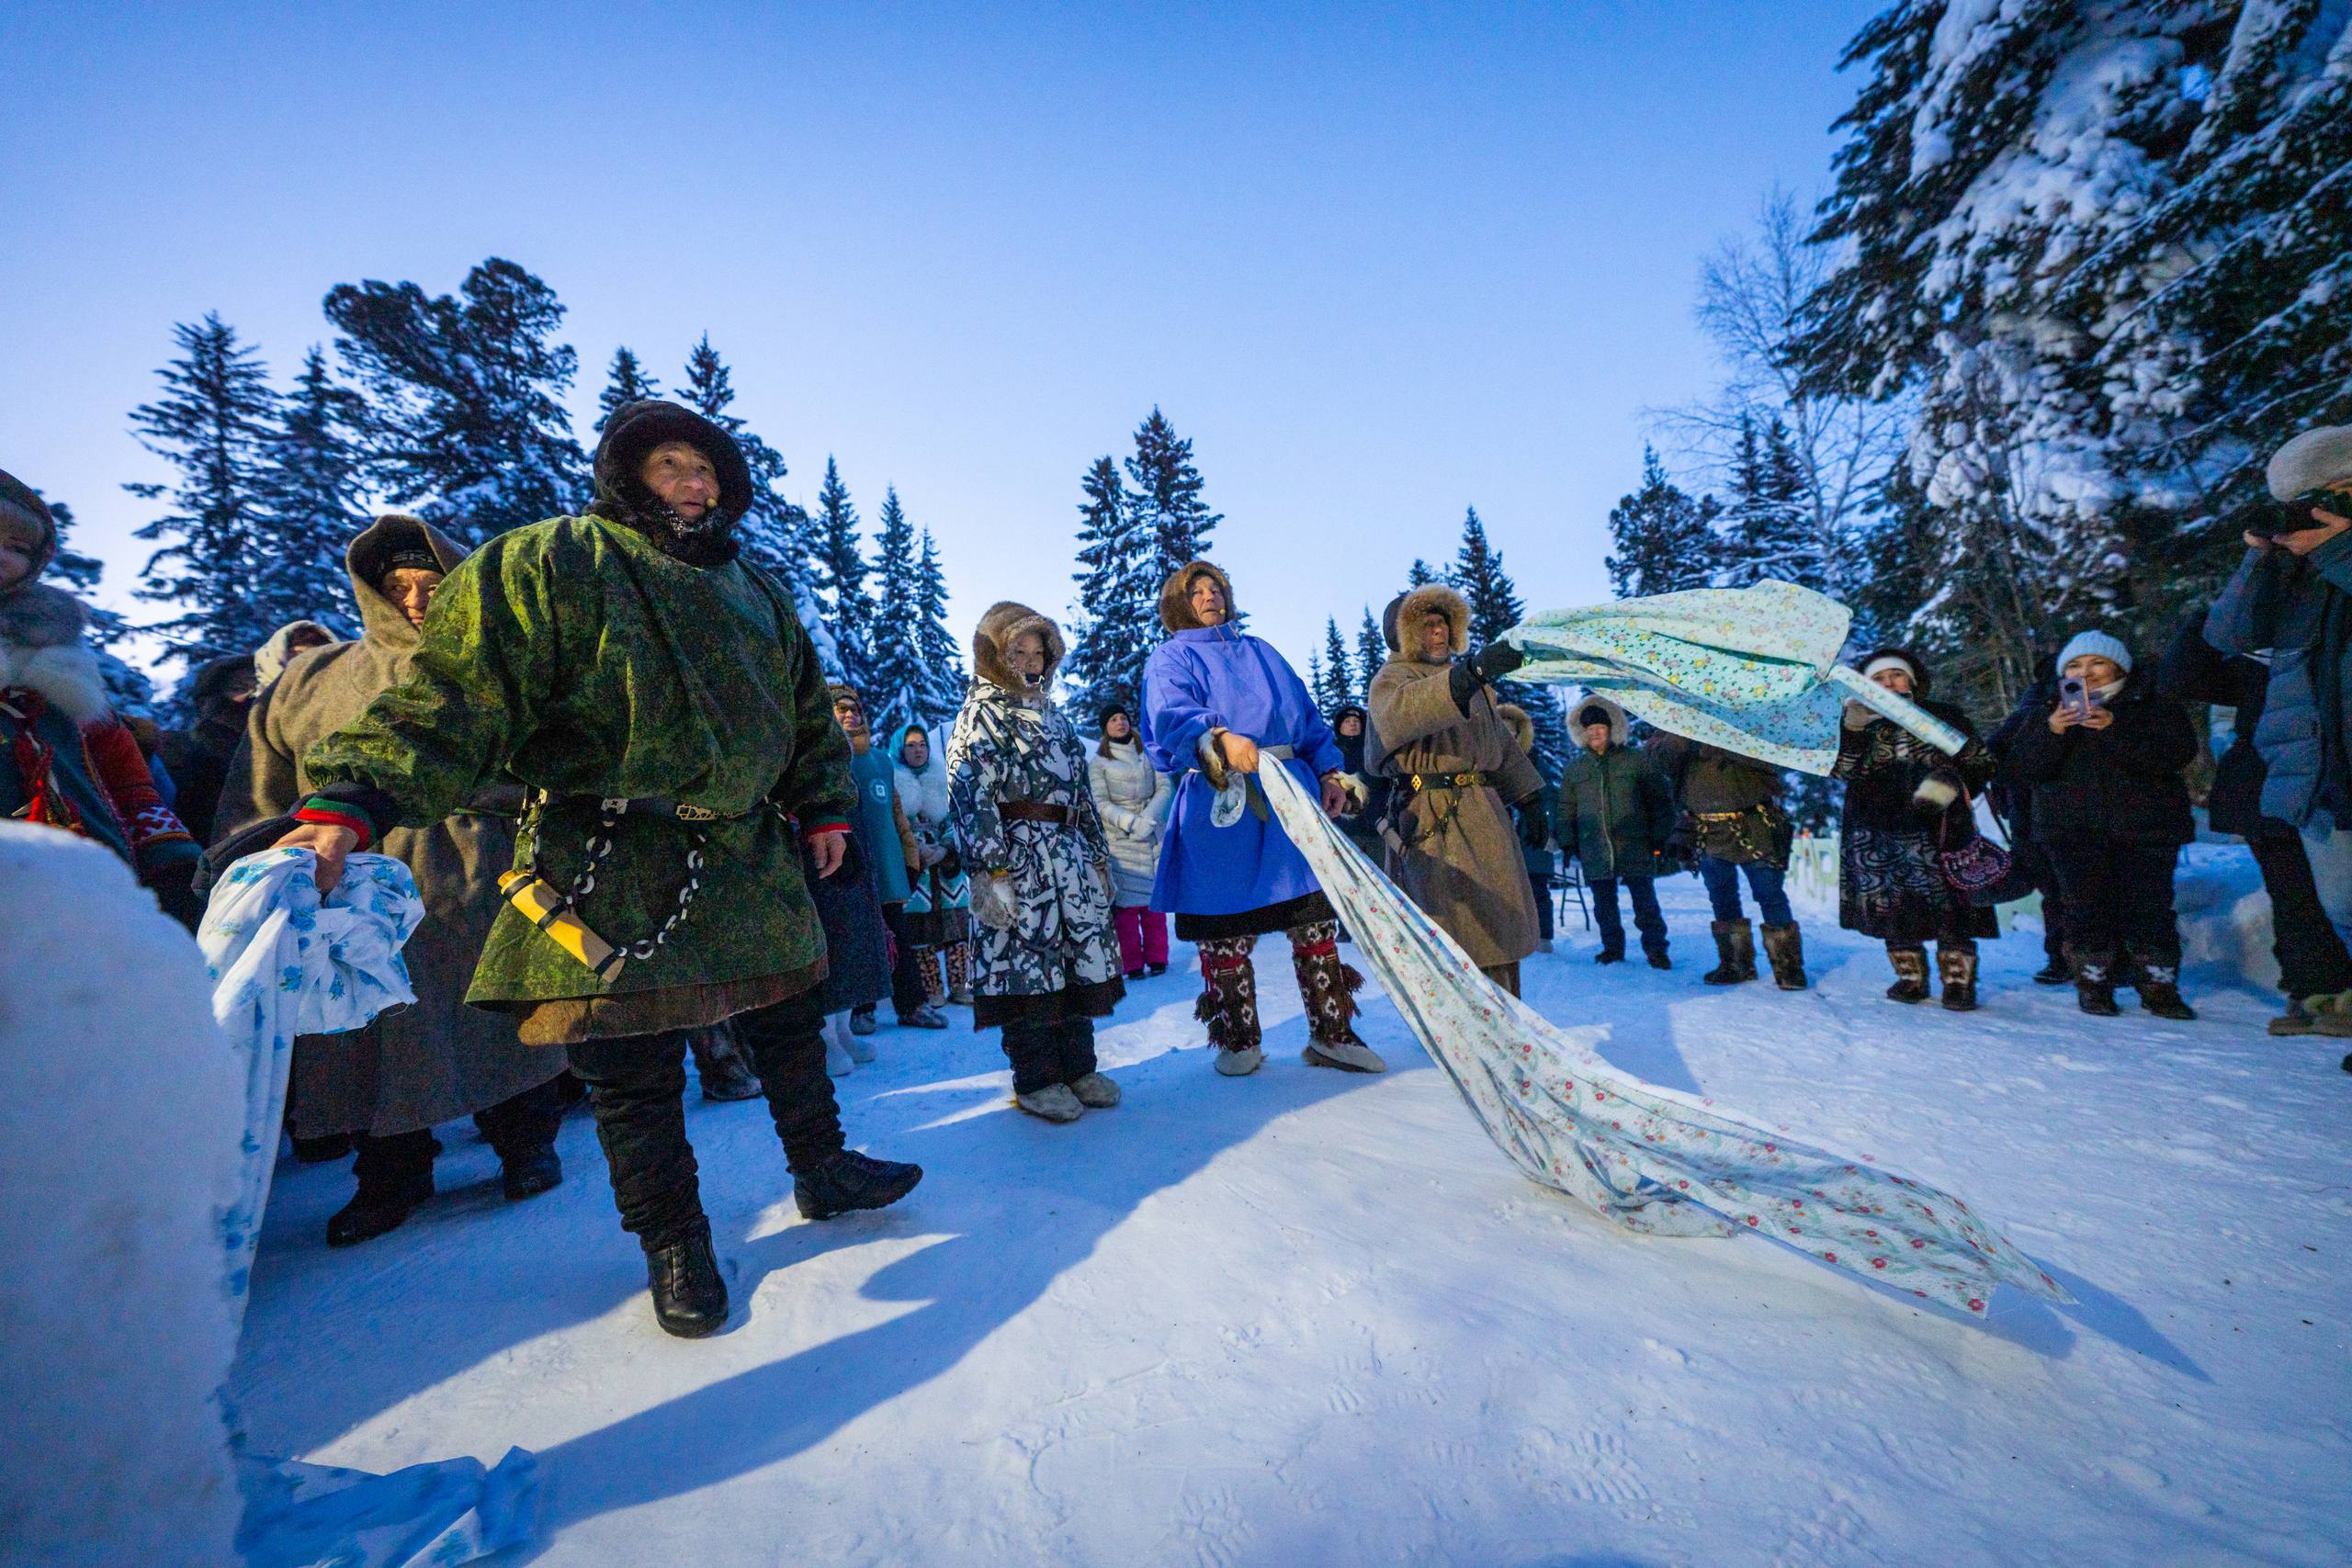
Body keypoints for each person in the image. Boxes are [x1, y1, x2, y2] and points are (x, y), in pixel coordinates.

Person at [267, 399, 921, 1338]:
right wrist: (351, 797)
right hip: (604, 851)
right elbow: (455, 692)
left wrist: (821, 803)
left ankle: (822, 1167)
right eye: (669, 466)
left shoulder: (754, 589)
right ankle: (673, 1241)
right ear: (626, 476)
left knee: (786, 1016)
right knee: (628, 1062)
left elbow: (806, 711)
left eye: (707, 471)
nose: (694, 486)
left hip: (741, 847)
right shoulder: (550, 561)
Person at [214, 515, 568, 1245]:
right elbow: (262, 783)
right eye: (396, 586)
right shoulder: (313, 678)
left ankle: (526, 1142)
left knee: (498, 1018)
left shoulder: (499, 667)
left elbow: (557, 770)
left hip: (474, 865)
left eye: (430, 584)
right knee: (368, 1031)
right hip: (345, 881)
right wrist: (240, 861)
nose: (413, 599)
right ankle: (392, 1172)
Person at [1142, 561, 1380, 1077]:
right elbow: (1169, 717)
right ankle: (1236, 1037)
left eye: (1216, 588)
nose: (1210, 596)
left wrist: (1330, 773)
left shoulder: (1262, 652)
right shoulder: (1171, 657)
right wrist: (1218, 739)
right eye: (1197, 591)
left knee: (1313, 914)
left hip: (1289, 795)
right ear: (1179, 604)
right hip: (1219, 797)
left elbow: (1308, 717)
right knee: (1224, 926)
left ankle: (1332, 1033)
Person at [2204, 424, 2352, 1061]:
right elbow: (2225, 635)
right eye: (2306, 501)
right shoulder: (2299, 577)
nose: (2319, 512)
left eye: (2336, 493)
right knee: (2344, 911)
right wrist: (2260, 559)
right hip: (2321, 777)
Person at [947, 603, 1126, 1122]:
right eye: (1018, 651)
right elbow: (970, 795)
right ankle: (1037, 1078)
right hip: (1020, 860)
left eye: (1038, 652)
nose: (1030, 662)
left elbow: (1082, 794)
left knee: (1074, 963)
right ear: (995, 655)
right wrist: (990, 873)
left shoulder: (1055, 715)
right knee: (1030, 966)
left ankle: (1078, 1067)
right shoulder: (980, 714)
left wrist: (1096, 856)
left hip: (1068, 857)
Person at [0, 469, 199, 921]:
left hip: (85, 876)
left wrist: (168, 856)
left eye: (17, 548)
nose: (2, 557)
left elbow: (118, 764)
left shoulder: (60, 655)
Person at [2158, 610, 2352, 1034]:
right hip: (2266, 782)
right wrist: (2225, 609)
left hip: (2333, 772)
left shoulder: (2333, 628)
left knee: (2342, 895)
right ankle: (2319, 992)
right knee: (2293, 894)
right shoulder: (2260, 650)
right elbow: (2182, 677)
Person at [2005, 631, 2199, 1021]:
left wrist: (2113, 728)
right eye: (2075, 665)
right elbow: (2022, 769)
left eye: (2097, 663)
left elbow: (2176, 755)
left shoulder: (2154, 700)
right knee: (2083, 907)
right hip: (2070, 829)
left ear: (2119, 667)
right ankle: (2094, 983)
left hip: (2147, 828)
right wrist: (2052, 730)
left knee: (2150, 907)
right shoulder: (2046, 707)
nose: (2086, 672)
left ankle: (2158, 985)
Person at [1366, 584, 1546, 996]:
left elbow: (1498, 742)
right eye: (1427, 626)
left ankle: (1505, 1015)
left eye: (1444, 624)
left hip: (1484, 813)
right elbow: (1404, 714)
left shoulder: (1474, 685)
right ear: (1403, 634)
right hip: (1432, 818)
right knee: (1451, 928)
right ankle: (1460, 1024)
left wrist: (1531, 800)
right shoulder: (1393, 679)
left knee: (1499, 922)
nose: (1439, 633)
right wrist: (1469, 676)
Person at [1831, 650, 2000, 1010]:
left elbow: (1981, 762)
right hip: (1876, 827)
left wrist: (1944, 787)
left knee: (1951, 905)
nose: (1889, 683)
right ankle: (1909, 976)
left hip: (1938, 824)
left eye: (1897, 675)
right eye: (1879, 678)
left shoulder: (1943, 715)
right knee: (1893, 906)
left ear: (1913, 680)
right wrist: (1853, 730)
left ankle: (1958, 981)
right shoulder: (1854, 721)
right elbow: (1842, 772)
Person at [832, 684, 948, 1033]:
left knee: (898, 936)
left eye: (855, 708)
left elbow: (897, 816)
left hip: (885, 864)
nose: (851, 714)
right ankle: (860, 1010)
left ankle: (912, 1005)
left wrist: (911, 859)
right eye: (841, 709)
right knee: (858, 939)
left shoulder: (881, 760)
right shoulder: (828, 759)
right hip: (847, 867)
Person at [1649, 733, 1807, 989]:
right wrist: (1683, 736)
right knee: (1722, 896)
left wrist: (1722, 739)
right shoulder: (1674, 722)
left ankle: (1789, 968)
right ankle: (1736, 965)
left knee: (1770, 894)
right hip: (1706, 829)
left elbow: (1771, 758)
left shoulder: (1743, 720)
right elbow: (1658, 762)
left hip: (1754, 824)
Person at [1554, 696, 1677, 970]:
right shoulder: (1576, 770)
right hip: (1594, 847)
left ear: (1612, 728)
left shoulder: (1636, 761)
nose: (1594, 732)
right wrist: (1567, 842)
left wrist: (1659, 836)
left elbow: (1661, 801)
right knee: (1603, 905)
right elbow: (1566, 810)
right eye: (1589, 728)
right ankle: (1612, 949)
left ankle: (1656, 949)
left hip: (1634, 843)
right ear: (1581, 733)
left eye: (1599, 726)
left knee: (1645, 904)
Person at [1987, 656, 2075, 987]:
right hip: (2036, 815)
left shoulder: (2124, 703)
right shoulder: (2036, 705)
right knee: (2059, 891)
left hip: (2053, 816)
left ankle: (2074, 959)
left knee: (2067, 892)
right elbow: (1993, 755)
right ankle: (2066, 958)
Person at [890, 719, 976, 1006]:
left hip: (948, 870)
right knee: (920, 933)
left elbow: (957, 819)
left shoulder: (943, 778)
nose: (918, 750)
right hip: (918, 872)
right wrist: (917, 848)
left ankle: (960, 986)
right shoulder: (894, 781)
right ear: (900, 750)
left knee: (957, 931)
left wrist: (945, 848)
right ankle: (932, 990)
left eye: (922, 744)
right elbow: (895, 823)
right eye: (911, 745)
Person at [1088, 702, 1172, 980]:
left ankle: (1158, 958)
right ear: (1105, 728)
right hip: (1119, 840)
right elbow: (1099, 801)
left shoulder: (1147, 753)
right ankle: (1132, 963)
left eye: (1122, 717)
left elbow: (1164, 786)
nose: (1120, 722)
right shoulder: (1098, 763)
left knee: (1153, 906)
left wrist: (1147, 820)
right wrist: (1130, 823)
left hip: (1150, 836)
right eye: (1113, 719)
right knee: (1125, 910)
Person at [157, 652, 257, 847]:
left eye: (258, 688)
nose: (250, 696)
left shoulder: (272, 756)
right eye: (239, 688)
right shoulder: (176, 747)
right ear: (209, 699)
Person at [1498, 703, 1557, 954]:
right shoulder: (1488, 765)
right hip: (1499, 839)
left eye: (1512, 734)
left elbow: (1549, 798)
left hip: (1530, 837)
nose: (1509, 739)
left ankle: (1543, 936)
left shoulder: (1534, 761)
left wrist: (1546, 829)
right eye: (1503, 734)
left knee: (1536, 890)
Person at [1329, 702, 1387, 864]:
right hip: (1344, 831)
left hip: (1376, 829)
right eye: (1347, 721)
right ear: (1339, 727)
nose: (1352, 724)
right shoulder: (1330, 755)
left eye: (1356, 721)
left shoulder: (1374, 751)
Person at [254, 619, 339, 690]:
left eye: (320, 660)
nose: (309, 665)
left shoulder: (342, 701)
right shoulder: (246, 707)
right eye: (299, 656)